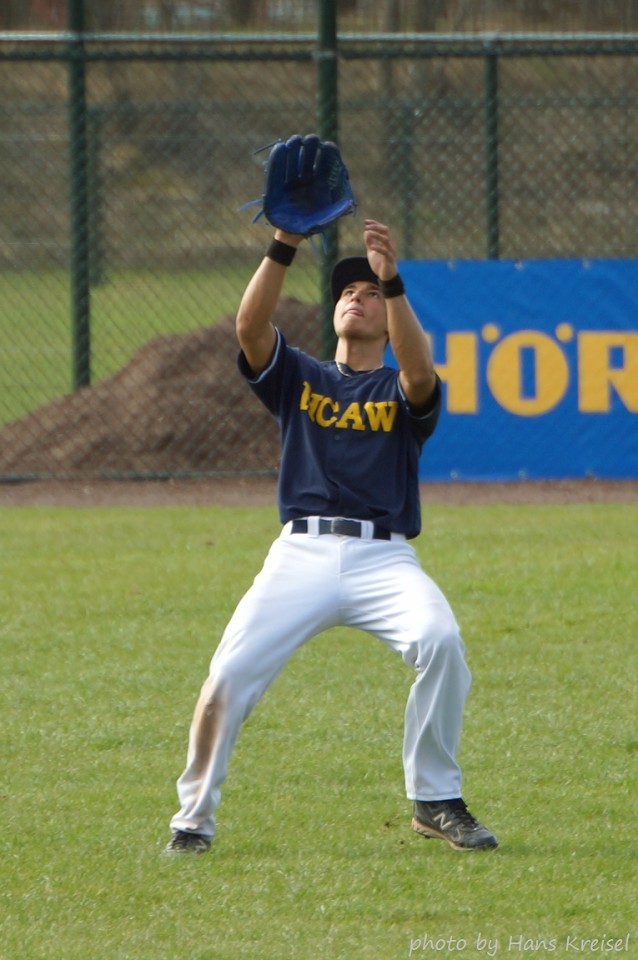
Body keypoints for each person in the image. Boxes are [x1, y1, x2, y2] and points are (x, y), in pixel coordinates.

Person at [164, 218, 497, 854]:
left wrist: (392, 281)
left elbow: (420, 372)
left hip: (383, 557)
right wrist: (285, 242)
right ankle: (192, 822)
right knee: (228, 675)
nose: (356, 298)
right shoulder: (300, 376)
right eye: (347, 292)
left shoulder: (399, 388)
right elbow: (250, 327)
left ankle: (435, 799)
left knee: (441, 642)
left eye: (369, 294)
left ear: (389, 315)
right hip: (301, 553)